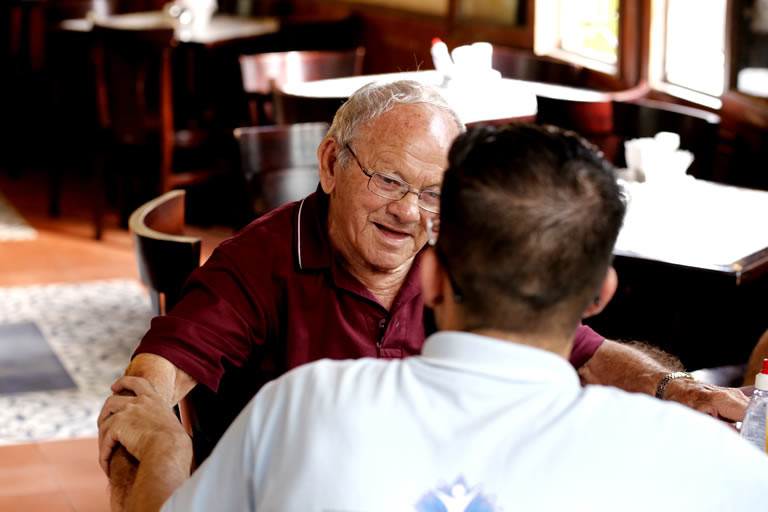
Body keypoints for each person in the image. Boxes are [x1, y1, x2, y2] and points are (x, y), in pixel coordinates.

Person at [98, 80, 747, 493]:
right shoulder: (262, 260)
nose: (409, 213)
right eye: (387, 180)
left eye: (433, 193)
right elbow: (149, 383)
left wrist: (675, 390)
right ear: (330, 164)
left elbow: (580, 347)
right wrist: (161, 444)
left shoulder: (452, 253)